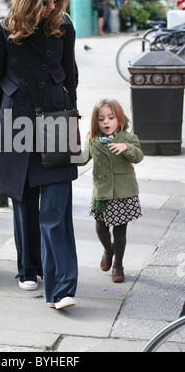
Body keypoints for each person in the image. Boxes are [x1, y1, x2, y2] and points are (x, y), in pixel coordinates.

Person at [0, 0, 78, 310]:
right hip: (15, 124)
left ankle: (61, 289)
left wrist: (71, 113)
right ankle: (28, 267)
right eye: (45, 2)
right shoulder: (3, 32)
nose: (51, 8)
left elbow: (70, 74)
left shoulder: (64, 27)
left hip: (55, 120)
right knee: (24, 203)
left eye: (56, 0)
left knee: (55, 209)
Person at [80, 99, 143, 283]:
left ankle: (118, 265)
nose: (106, 122)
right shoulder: (92, 139)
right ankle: (108, 249)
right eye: (101, 119)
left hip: (123, 193)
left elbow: (139, 156)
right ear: (95, 122)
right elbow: (81, 159)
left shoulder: (128, 138)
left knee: (120, 230)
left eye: (110, 117)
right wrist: (62, 155)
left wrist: (126, 148)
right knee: (100, 227)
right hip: (102, 193)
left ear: (120, 119)